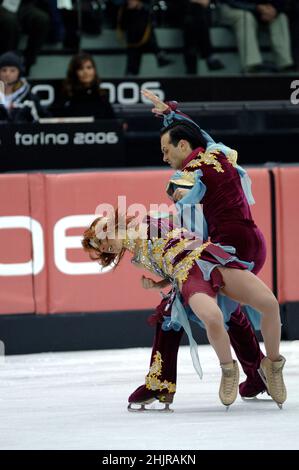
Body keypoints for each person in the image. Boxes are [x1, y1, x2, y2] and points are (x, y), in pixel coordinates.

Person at [128, 89, 269, 410]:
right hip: (247, 244)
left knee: (172, 311)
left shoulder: (190, 176)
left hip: (224, 249)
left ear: (182, 147)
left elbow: (189, 224)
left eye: (166, 150)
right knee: (229, 309)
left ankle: (161, 384)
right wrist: (170, 114)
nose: (163, 157)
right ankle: (258, 372)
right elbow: (199, 135)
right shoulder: (216, 152)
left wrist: (154, 233)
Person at [82, 212, 287, 409]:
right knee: (176, 317)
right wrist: (156, 285)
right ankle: (181, 380)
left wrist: (104, 226)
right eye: (103, 248)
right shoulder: (137, 259)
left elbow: (173, 223)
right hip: (188, 276)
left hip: (209, 258)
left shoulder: (144, 222)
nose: (106, 246)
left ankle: (266, 370)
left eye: (103, 240)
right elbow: (170, 267)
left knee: (255, 308)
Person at [218, 0, 294, 72]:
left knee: (280, 17)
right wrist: (256, 8)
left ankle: (285, 63)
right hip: (233, 7)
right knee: (246, 17)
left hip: (261, 10)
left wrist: (275, 9)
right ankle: (251, 64)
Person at [117, 0, 172, 75]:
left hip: (146, 40)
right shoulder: (124, 10)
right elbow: (122, 26)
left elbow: (150, 24)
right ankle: (130, 77)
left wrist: (140, 9)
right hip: (133, 43)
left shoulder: (145, 10)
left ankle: (159, 55)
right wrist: (128, 11)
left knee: (150, 37)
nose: (130, 2)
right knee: (131, 68)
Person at [60, 52, 115, 119]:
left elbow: (112, 121)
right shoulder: (67, 95)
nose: (85, 72)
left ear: (94, 70)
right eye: (80, 69)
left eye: (89, 67)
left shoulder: (101, 95)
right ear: (74, 72)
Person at [0, 51, 48, 122]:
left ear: (19, 72)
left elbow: (43, 122)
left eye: (12, 70)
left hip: (22, 133)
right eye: (4, 70)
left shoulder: (29, 99)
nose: (7, 74)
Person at [182, 0, 224, 74]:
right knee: (195, 13)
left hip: (195, 14)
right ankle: (208, 54)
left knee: (193, 19)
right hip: (180, 10)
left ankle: (192, 68)